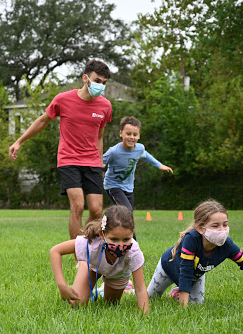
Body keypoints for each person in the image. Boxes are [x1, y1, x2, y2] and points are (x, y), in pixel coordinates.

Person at [9, 60, 112, 245]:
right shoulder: (63, 99)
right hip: (69, 159)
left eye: (104, 83)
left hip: (92, 162)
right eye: (97, 80)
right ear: (85, 78)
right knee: (78, 205)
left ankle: (85, 244)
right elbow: (42, 121)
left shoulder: (105, 106)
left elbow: (100, 137)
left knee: (97, 211)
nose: (100, 86)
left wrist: (100, 163)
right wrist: (19, 141)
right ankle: (78, 256)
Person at [147, 199, 243, 307]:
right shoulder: (191, 239)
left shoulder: (226, 245)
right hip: (168, 268)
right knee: (149, 299)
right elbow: (186, 272)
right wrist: (183, 308)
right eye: (215, 226)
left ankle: (176, 292)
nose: (222, 230)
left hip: (195, 275)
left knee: (196, 306)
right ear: (201, 228)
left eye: (225, 224)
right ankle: (129, 288)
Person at [50, 205, 149, 314]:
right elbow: (55, 251)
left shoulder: (133, 251)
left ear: (132, 233)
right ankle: (84, 264)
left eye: (126, 239)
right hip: (93, 268)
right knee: (76, 304)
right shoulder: (91, 243)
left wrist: (145, 316)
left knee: (110, 304)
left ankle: (115, 289)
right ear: (102, 234)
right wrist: (61, 285)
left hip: (118, 273)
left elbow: (140, 288)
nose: (120, 245)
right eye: (114, 239)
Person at [104, 116, 173, 213]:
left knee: (128, 213)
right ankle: (105, 224)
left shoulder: (139, 149)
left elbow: (147, 156)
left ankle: (110, 225)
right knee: (126, 211)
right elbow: (100, 162)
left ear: (139, 136)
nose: (131, 137)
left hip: (128, 187)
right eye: (128, 134)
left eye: (135, 134)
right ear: (121, 133)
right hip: (113, 186)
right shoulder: (113, 151)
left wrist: (160, 165)